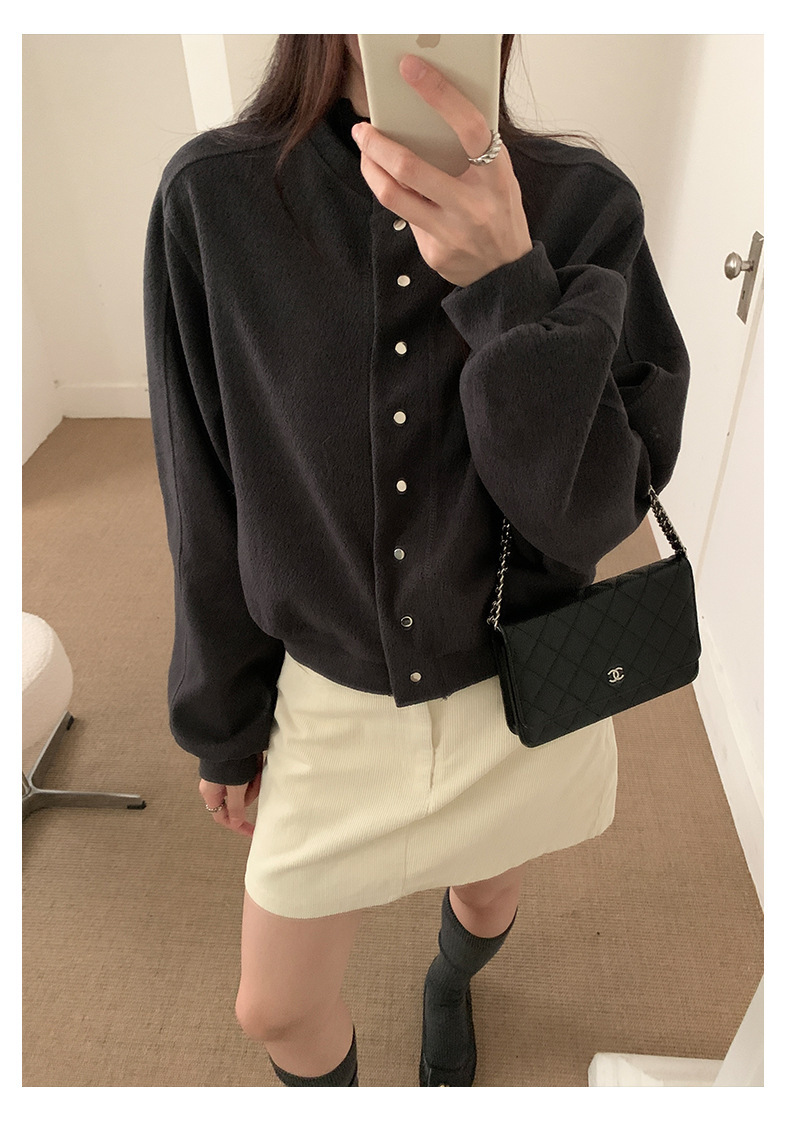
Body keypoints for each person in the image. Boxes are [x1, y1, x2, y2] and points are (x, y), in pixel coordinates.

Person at [143, 34, 690, 1088]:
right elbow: (202, 494)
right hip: (332, 693)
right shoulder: (216, 199)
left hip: (526, 685)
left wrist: (511, 286)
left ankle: (450, 980)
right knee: (275, 1004)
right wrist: (222, 720)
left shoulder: (584, 204)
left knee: (486, 895)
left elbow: (591, 516)